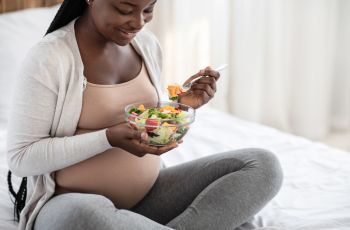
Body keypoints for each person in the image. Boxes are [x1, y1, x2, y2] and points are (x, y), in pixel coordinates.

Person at [6, 0, 283, 229]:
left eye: (148, 9)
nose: (138, 22)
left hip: (151, 196)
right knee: (85, 217)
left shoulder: (146, 45)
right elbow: (21, 159)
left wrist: (182, 106)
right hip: (73, 204)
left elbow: (147, 121)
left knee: (262, 166)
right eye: (125, 10)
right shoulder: (49, 59)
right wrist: (108, 138)